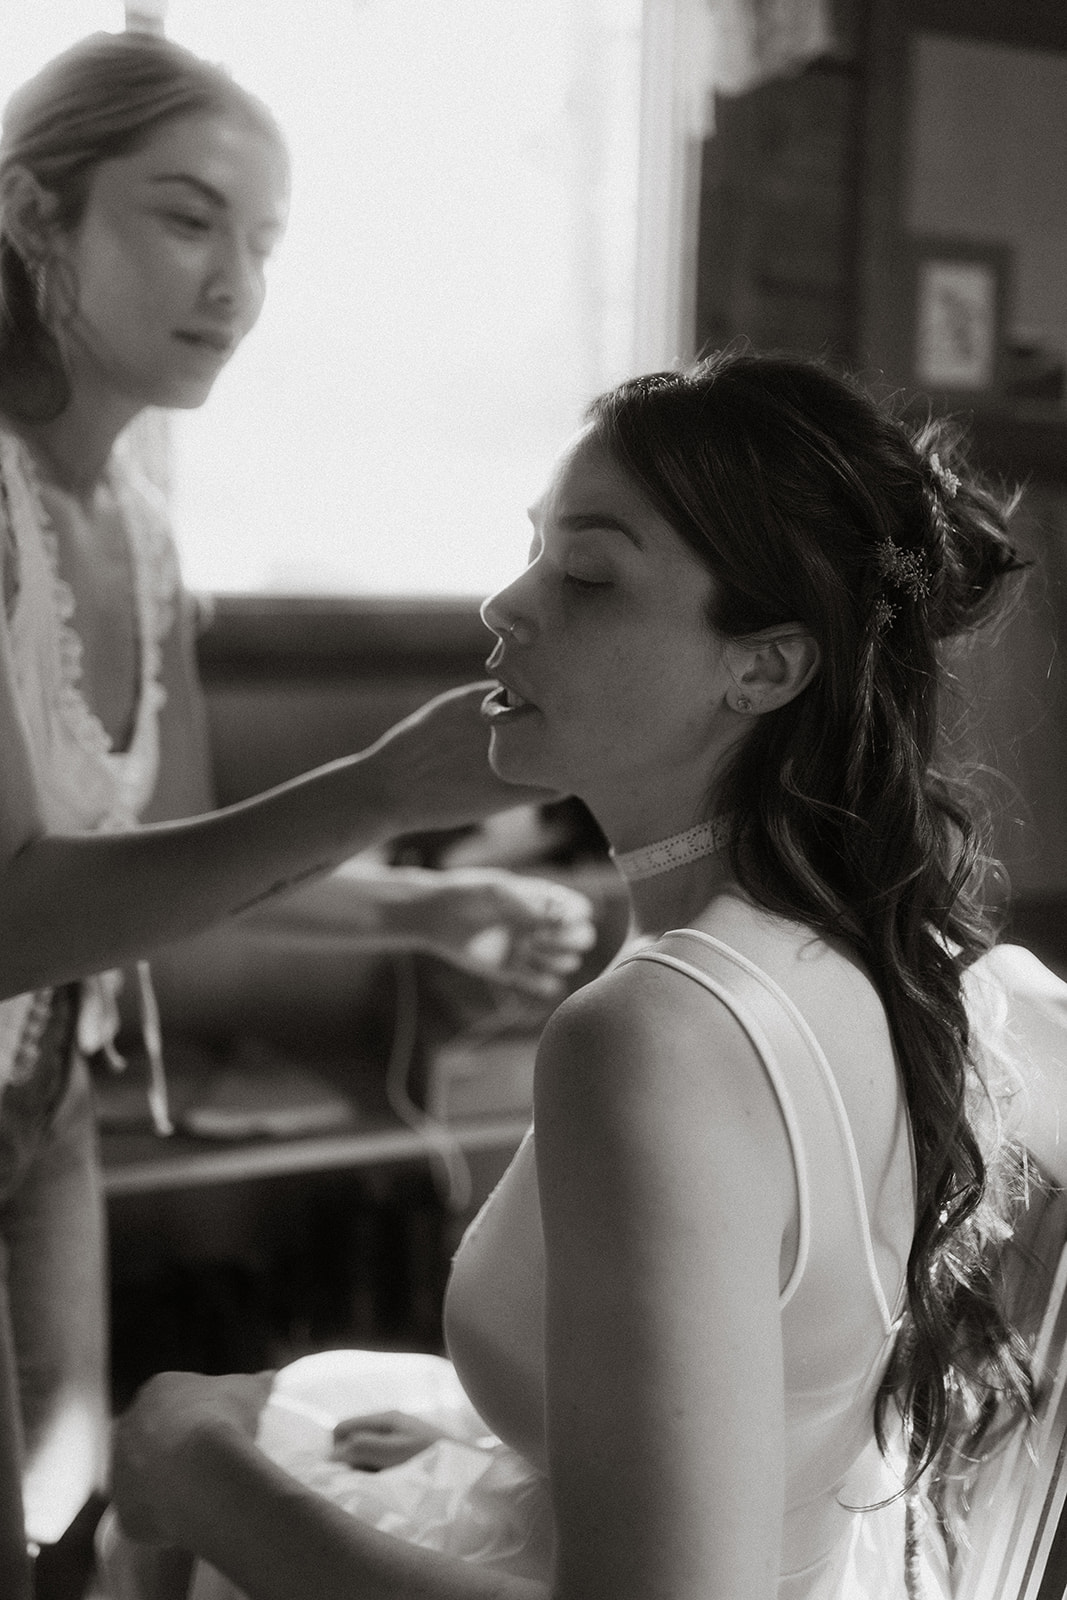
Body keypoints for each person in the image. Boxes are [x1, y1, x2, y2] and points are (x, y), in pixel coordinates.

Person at [106, 346, 1067, 1600]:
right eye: (533, 548)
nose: (505, 606)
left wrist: (199, 1474)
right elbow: (771, 1389)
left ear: (763, 666)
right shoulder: (867, 945)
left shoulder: (657, 1035)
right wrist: (527, 1443)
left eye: (587, 576)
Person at [0, 29, 595, 1600]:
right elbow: (13, 915)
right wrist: (383, 788)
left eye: (262, 243)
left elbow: (168, 870)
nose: (236, 286)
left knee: (55, 1521)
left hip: (39, 1107)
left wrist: (419, 903)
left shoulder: (132, 521)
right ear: (31, 217)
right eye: (186, 219)